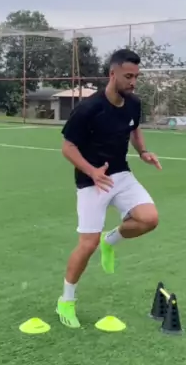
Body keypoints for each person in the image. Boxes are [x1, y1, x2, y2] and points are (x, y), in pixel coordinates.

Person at [56, 48, 162, 328]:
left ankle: (110, 241)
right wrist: (91, 171)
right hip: (91, 182)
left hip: (121, 175)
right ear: (112, 74)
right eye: (128, 76)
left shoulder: (133, 103)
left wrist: (143, 151)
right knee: (87, 245)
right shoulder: (89, 108)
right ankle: (66, 300)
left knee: (149, 219)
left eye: (136, 77)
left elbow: (134, 128)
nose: (133, 82)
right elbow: (68, 147)